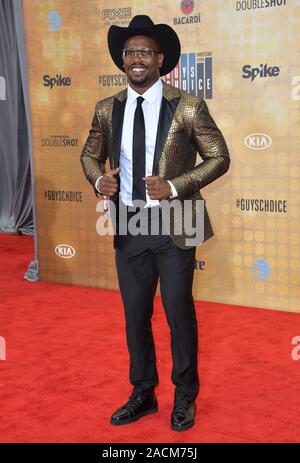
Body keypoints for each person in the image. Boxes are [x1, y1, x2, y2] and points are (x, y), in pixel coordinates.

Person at [80, 15, 230, 432]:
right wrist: (99, 179)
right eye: (130, 52)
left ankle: (185, 396)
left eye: (145, 51)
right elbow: (90, 155)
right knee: (134, 315)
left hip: (177, 220)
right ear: (122, 61)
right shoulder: (106, 108)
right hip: (129, 223)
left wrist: (176, 185)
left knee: (179, 312)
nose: (137, 59)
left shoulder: (188, 106)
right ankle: (143, 393)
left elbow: (220, 157)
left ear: (161, 59)